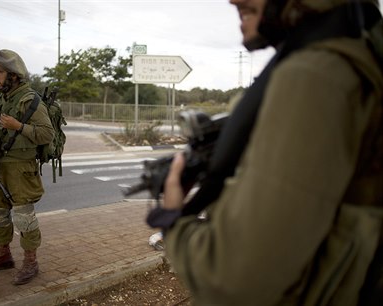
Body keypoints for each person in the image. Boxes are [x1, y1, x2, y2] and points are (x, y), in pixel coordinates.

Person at [155, 0, 383, 305]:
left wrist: (173, 221)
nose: (232, 0)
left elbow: (231, 281)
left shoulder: (312, 76)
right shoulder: (360, 53)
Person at [0, 49, 54, 285]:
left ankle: (31, 262)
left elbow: (47, 133)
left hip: (20, 168)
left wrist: (19, 126)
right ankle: (3, 255)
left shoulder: (30, 100)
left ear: (14, 75)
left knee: (24, 217)